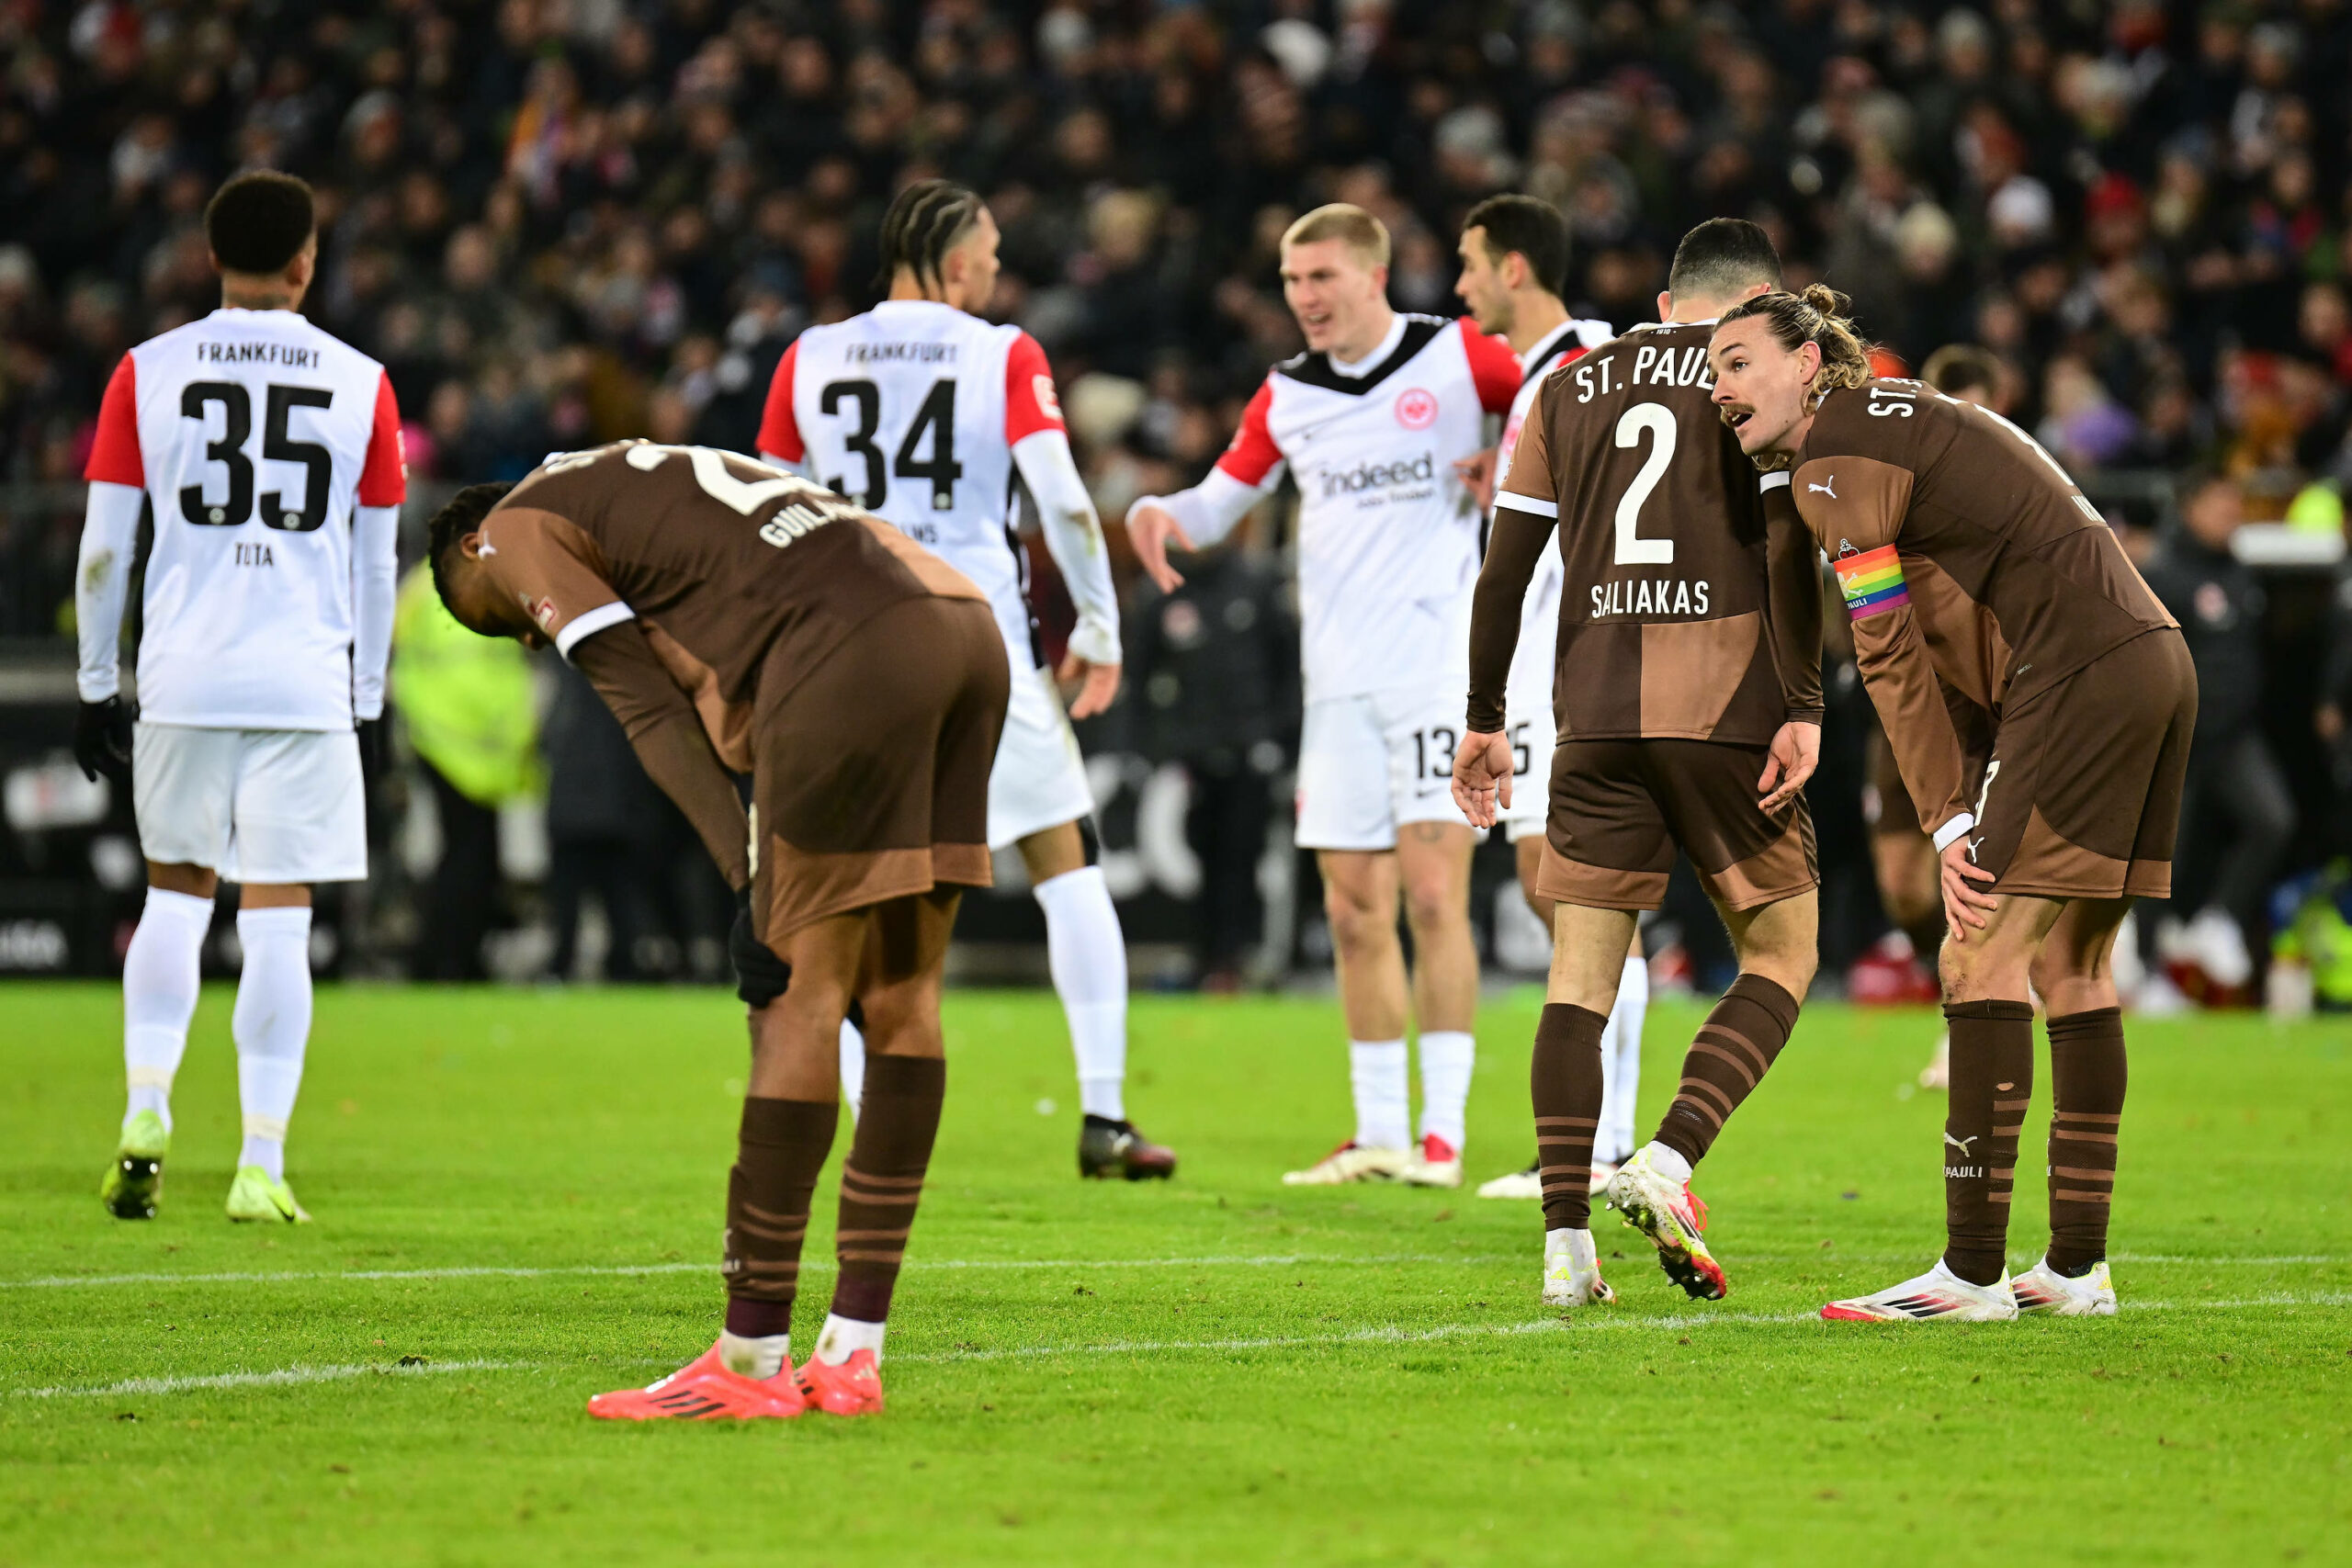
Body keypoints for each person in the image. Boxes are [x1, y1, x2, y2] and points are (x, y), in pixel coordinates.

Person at [425, 439, 1008, 1420]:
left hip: (846, 645)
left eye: (496, 621)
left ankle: (749, 1360)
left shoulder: (517, 529)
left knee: (793, 995)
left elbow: (642, 706)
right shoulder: (626, 474)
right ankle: (854, 1351)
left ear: (475, 549)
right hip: (959, 623)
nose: (529, 639)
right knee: (904, 997)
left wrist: (745, 881)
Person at [1709, 286, 2195, 1323]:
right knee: (2076, 964)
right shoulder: (1916, 415)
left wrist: (1947, 818)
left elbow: (1887, 653)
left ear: (1806, 362)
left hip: (2072, 671)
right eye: (1713, 371)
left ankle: (1971, 1273)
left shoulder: (1833, 460)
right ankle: (2074, 1271)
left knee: (1977, 951)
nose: (1720, 389)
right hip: (2150, 658)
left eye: (1738, 362)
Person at [760, 179, 1173, 1179]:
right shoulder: (1001, 352)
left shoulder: (807, 356)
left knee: (848, 885)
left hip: (845, 642)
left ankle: (865, 1124)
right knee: (1065, 859)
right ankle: (1104, 1117)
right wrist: (1103, 629)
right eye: (988, 260)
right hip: (969, 635)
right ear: (952, 265)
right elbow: (1066, 504)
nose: (995, 277)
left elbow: (762, 505)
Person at [1453, 218, 1824, 1307]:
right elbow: (1789, 549)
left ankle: (1565, 1251)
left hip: (1596, 711)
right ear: (1757, 300)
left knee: (1578, 979)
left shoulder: (1564, 388)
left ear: (1664, 302)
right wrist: (1802, 702)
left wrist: (1483, 716)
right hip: (1722, 708)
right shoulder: (1747, 375)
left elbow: (1503, 571)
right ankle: (1665, 1157)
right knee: (1782, 952)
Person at [1127, 203, 1522, 1189]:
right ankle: (1380, 1131)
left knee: (1435, 897)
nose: (1303, 298)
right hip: (1336, 684)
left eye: (1320, 278)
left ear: (1372, 275)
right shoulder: (1287, 393)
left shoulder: (1460, 356)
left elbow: (1560, 399)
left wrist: (1508, 460)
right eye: (1292, 280)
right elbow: (1223, 497)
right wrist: (1156, 509)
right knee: (1353, 910)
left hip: (1439, 669)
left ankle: (1444, 1132)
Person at [74, 171, 404, 1224]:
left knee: (173, 899)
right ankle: (260, 1160)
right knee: (277, 923)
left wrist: (95, 682)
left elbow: (102, 549)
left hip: (184, 674)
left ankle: (145, 1106)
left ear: (211, 257)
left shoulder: (146, 372)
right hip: (303, 682)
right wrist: (369, 695)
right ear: (307, 261)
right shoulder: (364, 383)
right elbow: (373, 560)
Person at [1442, 194, 1643, 1201]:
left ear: (1513, 268)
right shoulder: (1548, 375)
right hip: (1542, 662)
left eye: (1469, 264)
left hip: (1576, 658)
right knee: (1552, 890)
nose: (1459, 284)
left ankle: (1605, 1141)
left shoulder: (1581, 364)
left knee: (1578, 890)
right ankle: (1602, 1136)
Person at [1897, 345, 2009, 1090]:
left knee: (1982, 866)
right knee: (1906, 883)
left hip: (2012, 696)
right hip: (1934, 696)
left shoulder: (2018, 479)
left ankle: (1973, 1032)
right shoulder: (1909, 486)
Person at [2140, 470, 2295, 997]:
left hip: (2233, 737)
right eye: (2221, 504)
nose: (2232, 515)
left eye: (2237, 505)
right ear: (2190, 506)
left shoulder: (2241, 573)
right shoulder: (2159, 572)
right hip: (2176, 739)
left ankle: (2221, 919)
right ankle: (2146, 969)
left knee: (2273, 819)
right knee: (2164, 858)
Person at [390, 562, 541, 982]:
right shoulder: (472, 584)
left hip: (442, 739)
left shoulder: (424, 585)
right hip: (465, 745)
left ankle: (448, 956)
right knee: (469, 860)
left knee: (466, 856)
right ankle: (451, 959)